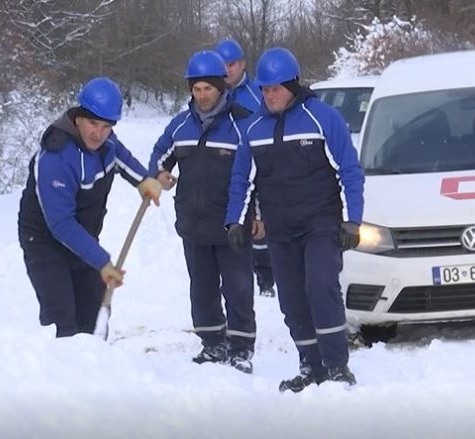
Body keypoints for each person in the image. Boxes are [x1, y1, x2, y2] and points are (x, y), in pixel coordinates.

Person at [225, 47, 364, 392]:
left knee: (321, 285)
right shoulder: (254, 129)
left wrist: (352, 220)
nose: (269, 96)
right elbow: (242, 180)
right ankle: (310, 366)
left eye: (275, 89)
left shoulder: (323, 118)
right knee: (291, 299)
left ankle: (336, 365)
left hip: (321, 223)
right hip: (280, 229)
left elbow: (349, 170)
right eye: (264, 89)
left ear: (292, 85)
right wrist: (235, 222)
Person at [18, 77, 162, 338]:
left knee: (93, 314)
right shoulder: (56, 158)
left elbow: (120, 157)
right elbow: (61, 224)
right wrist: (102, 262)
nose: (99, 133)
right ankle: (62, 362)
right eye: (93, 124)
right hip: (45, 241)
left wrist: (143, 180)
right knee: (62, 320)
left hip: (83, 235)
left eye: (107, 126)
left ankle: (96, 360)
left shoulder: (106, 142)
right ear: (78, 118)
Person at [148, 50, 257, 374]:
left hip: (232, 225)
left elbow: (260, 174)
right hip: (193, 224)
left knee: (238, 289)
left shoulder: (243, 124)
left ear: (220, 87)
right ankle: (212, 343)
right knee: (202, 288)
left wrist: (260, 215)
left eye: (208, 88)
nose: (202, 95)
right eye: (196, 89)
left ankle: (241, 348)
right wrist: (160, 173)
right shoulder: (180, 125)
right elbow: (160, 155)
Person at [215, 38, 275, 298]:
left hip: (256, 166)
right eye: (223, 65)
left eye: (232, 64)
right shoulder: (211, 94)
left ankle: (265, 276)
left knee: (258, 225)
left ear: (242, 64)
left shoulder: (256, 95)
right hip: (223, 171)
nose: (227, 70)